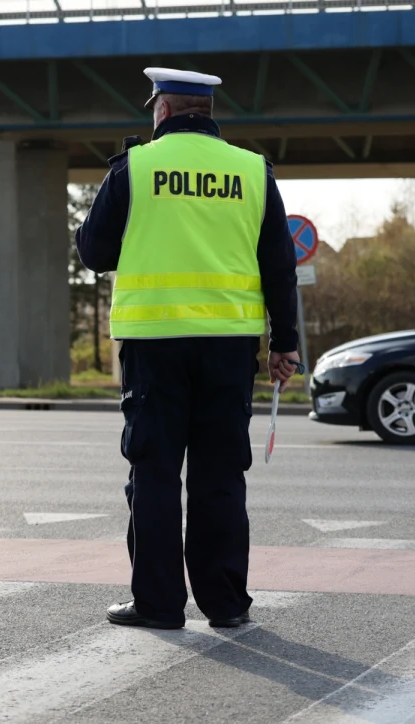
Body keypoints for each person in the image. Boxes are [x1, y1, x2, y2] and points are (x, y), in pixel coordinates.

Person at [75, 68, 301, 630]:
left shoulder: (138, 167)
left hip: (155, 347)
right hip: (229, 347)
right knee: (221, 475)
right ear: (208, 110)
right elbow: (279, 264)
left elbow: (94, 253)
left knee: (153, 473)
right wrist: (286, 344)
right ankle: (226, 605)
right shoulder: (253, 171)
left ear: (163, 110)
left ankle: (157, 605)